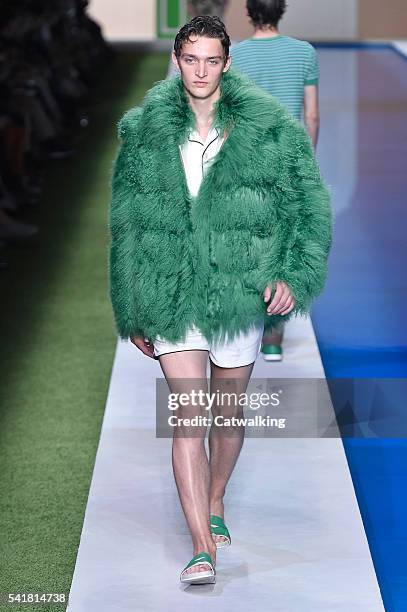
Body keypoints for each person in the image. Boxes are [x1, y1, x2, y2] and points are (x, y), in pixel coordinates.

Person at [108, 15, 332, 585]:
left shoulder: (267, 130)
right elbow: (127, 223)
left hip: (239, 288)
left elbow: (305, 205)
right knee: (190, 414)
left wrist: (290, 273)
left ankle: (216, 497)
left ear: (227, 63)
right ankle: (201, 546)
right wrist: (132, 303)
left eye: (212, 60)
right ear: (177, 62)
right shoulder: (144, 132)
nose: (201, 71)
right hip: (173, 288)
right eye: (191, 59)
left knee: (226, 411)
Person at [231, 0, 321, 362]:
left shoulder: (236, 55)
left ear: (250, 12)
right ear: (281, 11)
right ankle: (273, 337)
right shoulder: (304, 53)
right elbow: (311, 115)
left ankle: (247, 320)